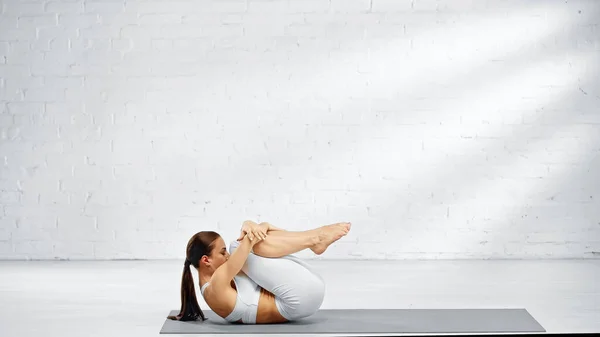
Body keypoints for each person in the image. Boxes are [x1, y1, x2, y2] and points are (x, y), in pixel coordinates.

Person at [167, 220, 351, 324]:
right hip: (300, 298)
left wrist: (257, 226)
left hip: (304, 291)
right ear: (205, 260)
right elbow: (246, 245)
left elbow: (256, 241)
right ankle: (315, 238)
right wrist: (253, 226)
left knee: (250, 243)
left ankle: (315, 239)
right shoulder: (216, 286)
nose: (227, 255)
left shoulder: (213, 281)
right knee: (239, 245)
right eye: (222, 252)